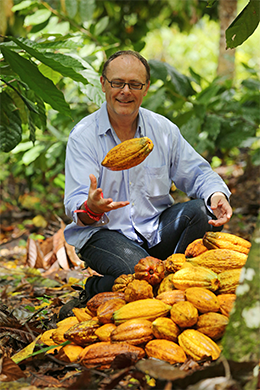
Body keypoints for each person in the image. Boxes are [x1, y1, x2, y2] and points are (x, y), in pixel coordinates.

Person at [60, 50, 232, 319]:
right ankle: (94, 288)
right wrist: (91, 206)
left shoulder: (163, 130)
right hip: (103, 233)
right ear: (104, 84)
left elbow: (199, 173)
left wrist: (216, 194)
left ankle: (175, 284)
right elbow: (76, 206)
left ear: (146, 88)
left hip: (155, 229)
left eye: (135, 84)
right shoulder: (84, 136)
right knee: (138, 278)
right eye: (117, 83)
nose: (125, 91)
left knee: (199, 211)